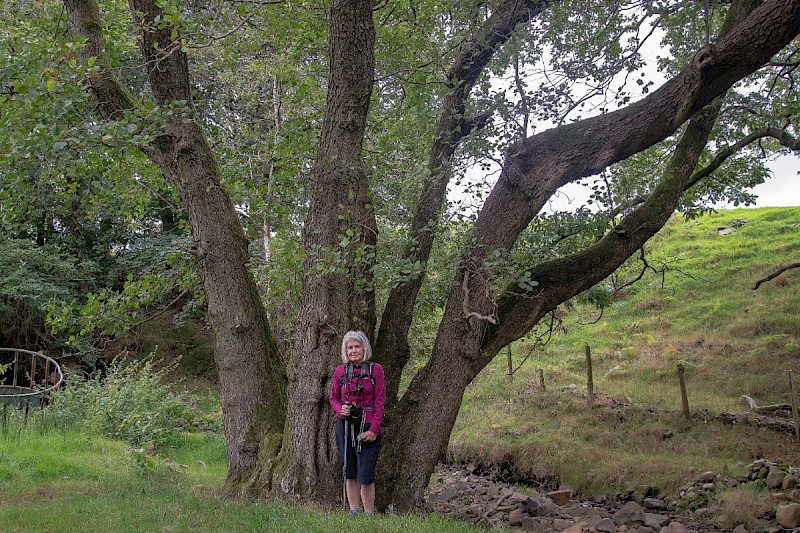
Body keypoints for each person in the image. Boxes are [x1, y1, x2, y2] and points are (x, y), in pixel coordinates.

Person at [330, 330, 386, 515]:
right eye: (350, 347)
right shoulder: (340, 371)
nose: (353, 350)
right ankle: (354, 511)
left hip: (368, 425)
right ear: (345, 350)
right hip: (345, 426)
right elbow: (333, 398)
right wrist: (341, 410)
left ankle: (369, 513)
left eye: (357, 346)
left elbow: (380, 401)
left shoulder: (376, 370)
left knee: (366, 471)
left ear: (364, 348)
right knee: (349, 468)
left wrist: (374, 430)